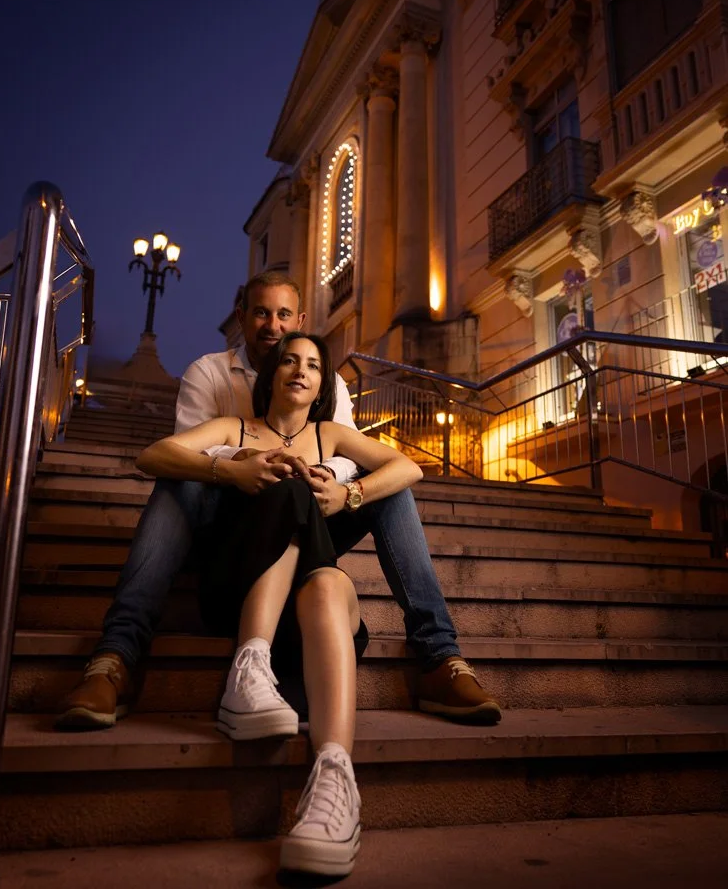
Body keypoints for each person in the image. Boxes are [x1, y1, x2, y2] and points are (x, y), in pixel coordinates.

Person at [56, 270, 501, 730]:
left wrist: (342, 488)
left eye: (284, 315)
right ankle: (116, 657)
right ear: (243, 319)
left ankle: (439, 656)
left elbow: (383, 462)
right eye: (262, 314)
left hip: (312, 520)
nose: (274, 326)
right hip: (227, 527)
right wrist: (236, 465)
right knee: (180, 480)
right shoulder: (211, 377)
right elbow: (166, 455)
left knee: (388, 490)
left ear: (301, 323)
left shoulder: (329, 404)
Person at [134, 331, 421, 875]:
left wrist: (348, 493)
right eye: (290, 360)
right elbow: (152, 455)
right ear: (271, 375)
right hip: (241, 594)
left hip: (314, 621)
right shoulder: (234, 428)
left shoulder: (331, 435)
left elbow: (408, 467)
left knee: (330, 583)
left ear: (321, 384)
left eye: (313, 364)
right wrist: (229, 469)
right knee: (289, 493)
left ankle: (334, 780)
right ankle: (250, 665)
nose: (301, 370)